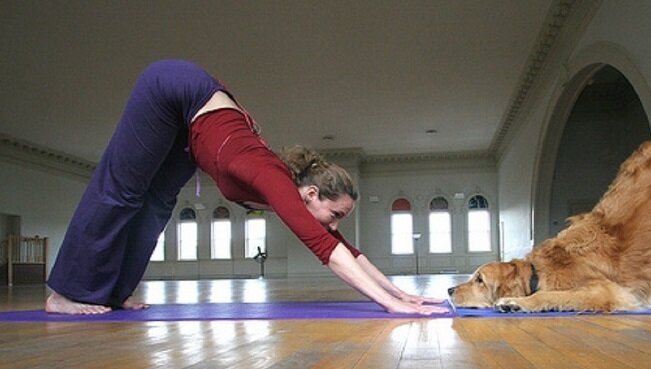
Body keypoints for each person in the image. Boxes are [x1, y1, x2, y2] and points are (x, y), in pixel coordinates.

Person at [45, 59, 448, 316]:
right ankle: (65, 291)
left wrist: (401, 292)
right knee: (124, 191)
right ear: (310, 195)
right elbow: (326, 250)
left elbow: (347, 250)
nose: (335, 226)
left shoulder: (289, 192)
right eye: (336, 214)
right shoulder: (275, 180)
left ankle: (114, 292)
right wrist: (390, 304)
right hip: (173, 88)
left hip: (193, 131)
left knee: (157, 205)